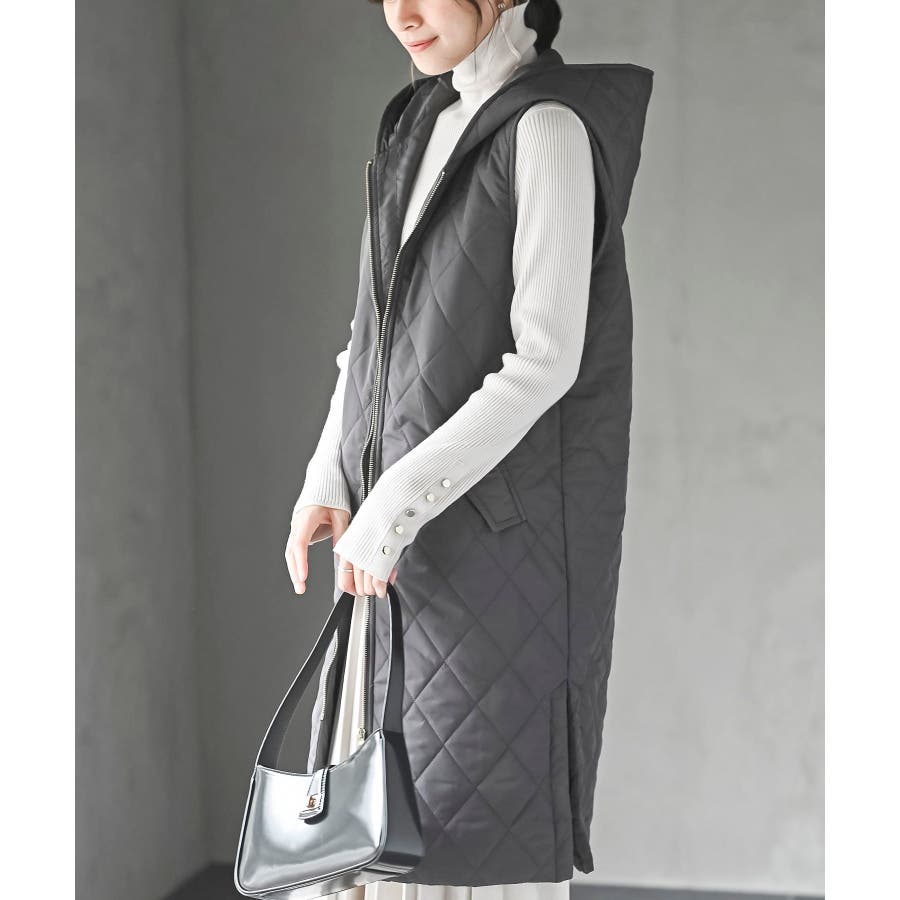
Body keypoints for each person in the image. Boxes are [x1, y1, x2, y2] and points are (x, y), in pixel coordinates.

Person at [285, 0, 653, 890]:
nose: (402, 14)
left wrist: (390, 507)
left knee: (474, 844)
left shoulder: (549, 129)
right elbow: (372, 335)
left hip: (493, 551)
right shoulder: (419, 123)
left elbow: (545, 360)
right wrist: (328, 474)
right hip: (391, 543)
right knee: (371, 834)